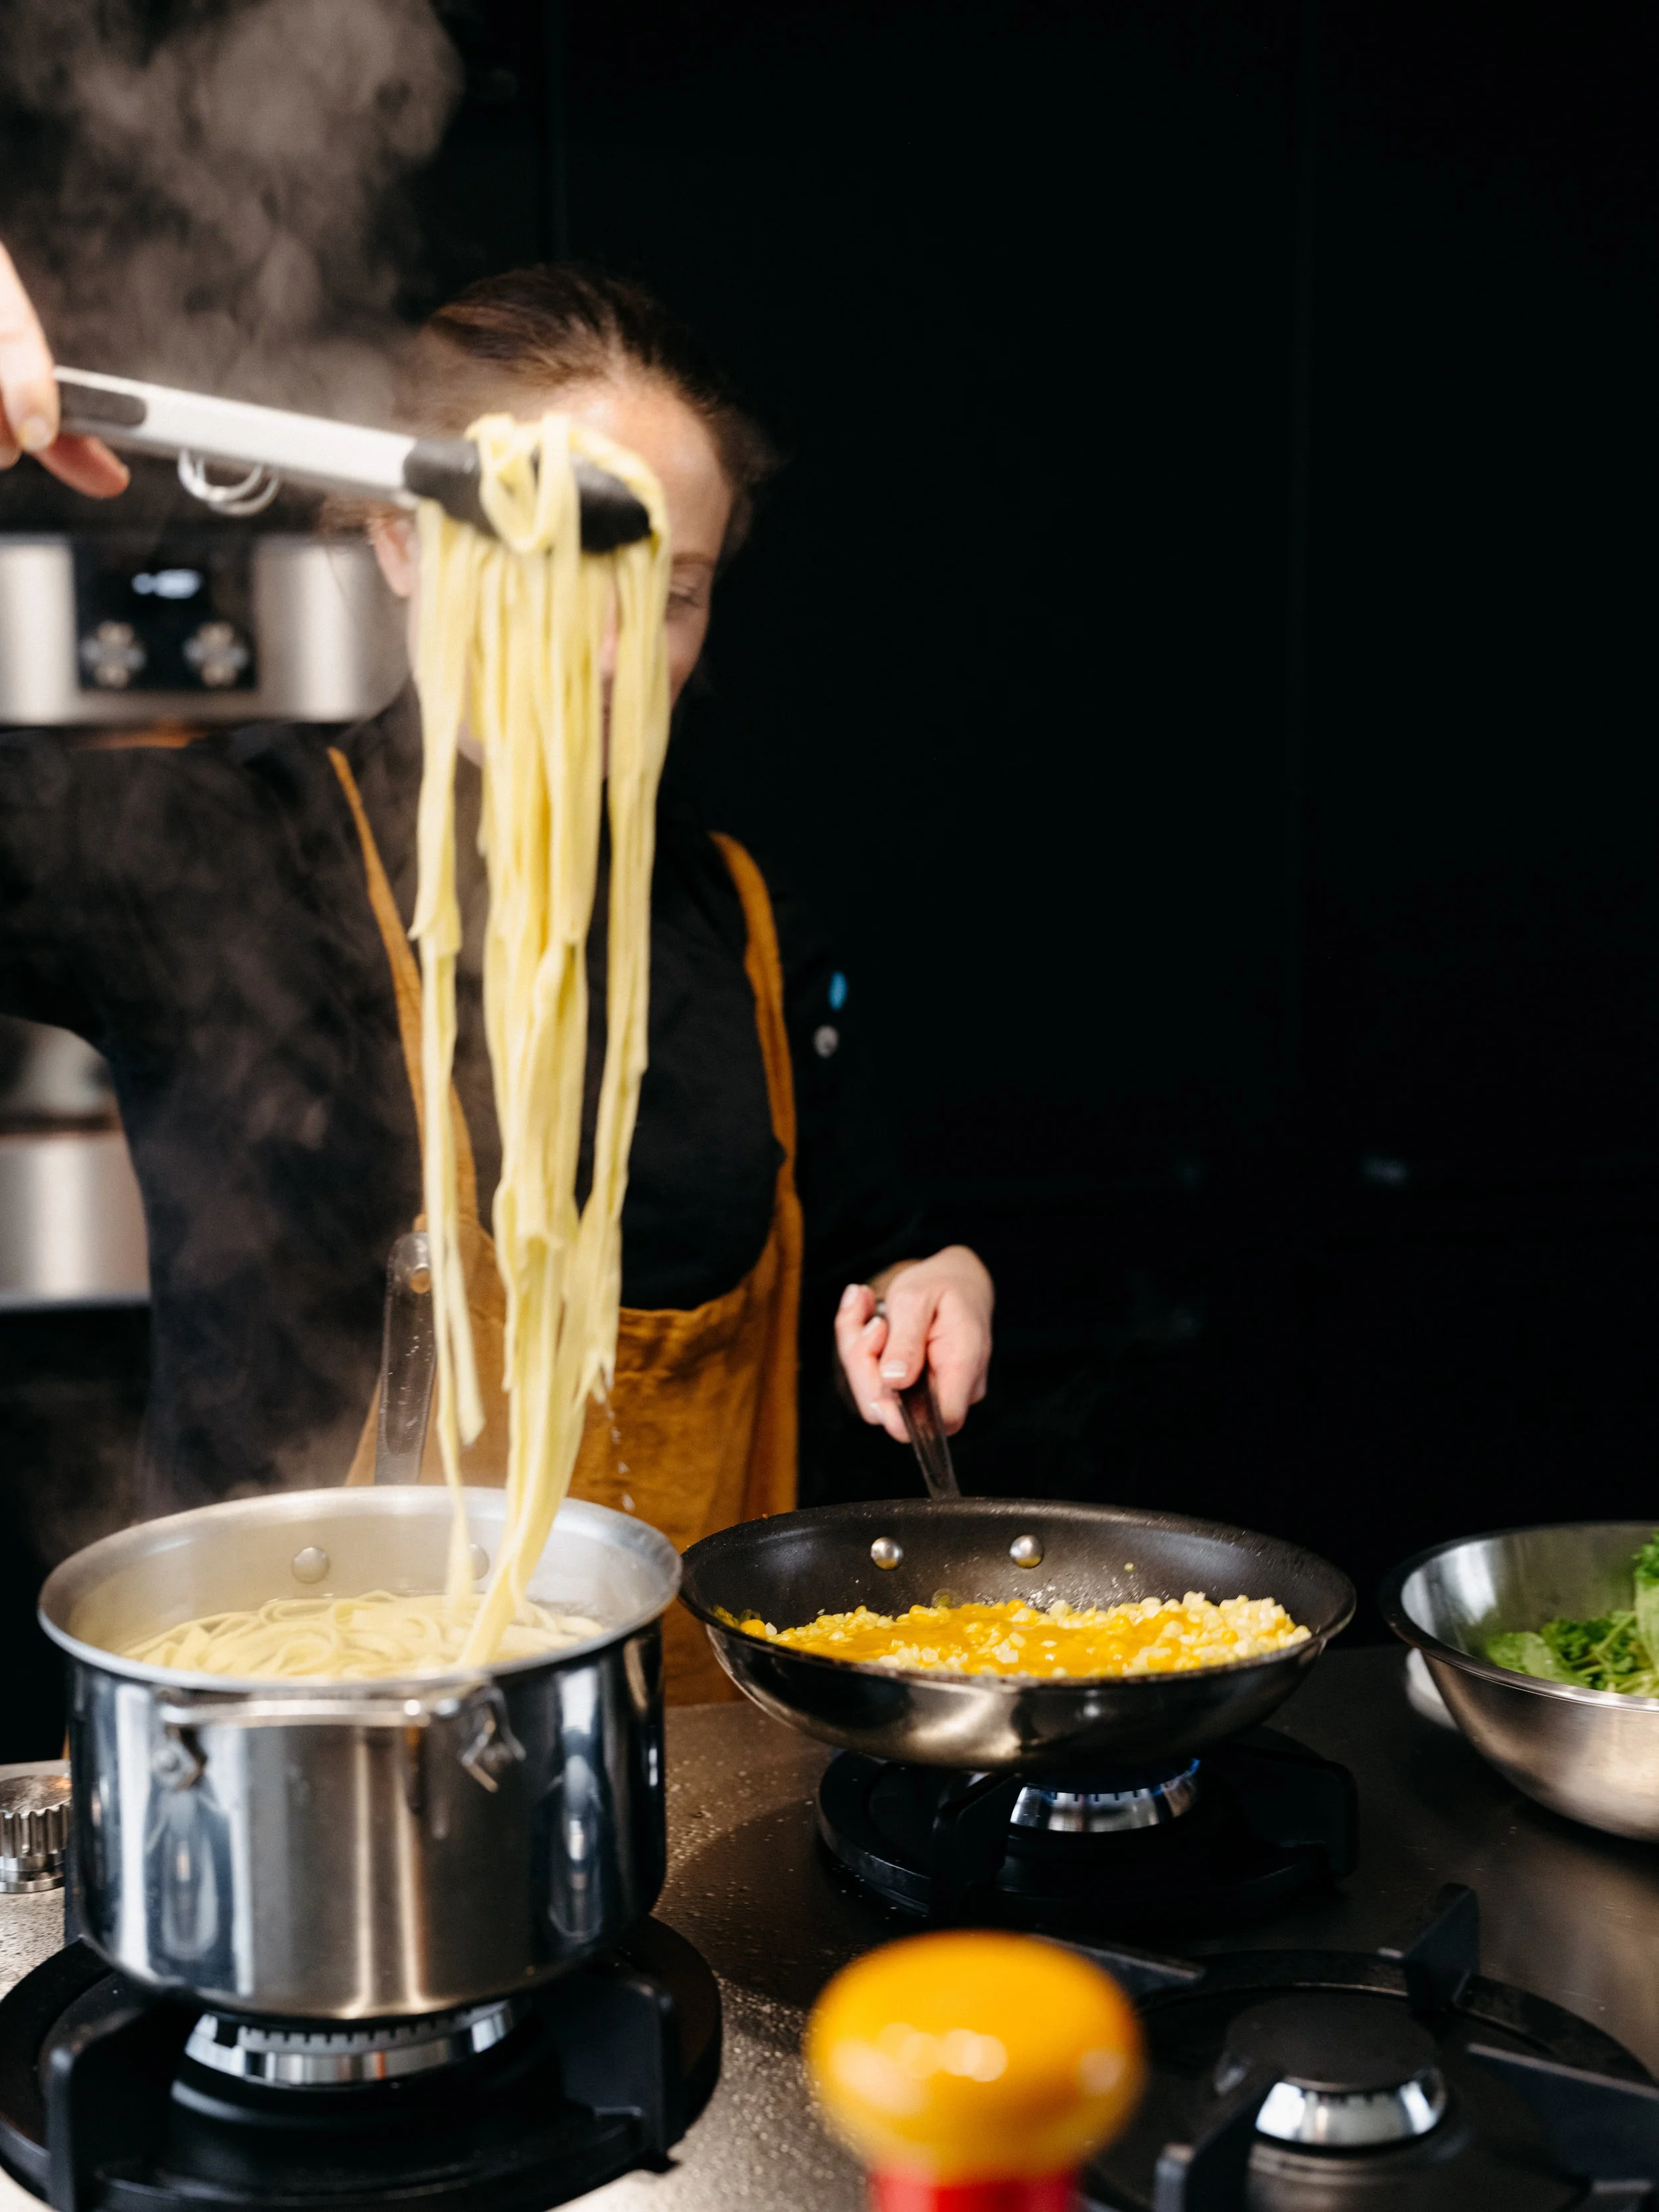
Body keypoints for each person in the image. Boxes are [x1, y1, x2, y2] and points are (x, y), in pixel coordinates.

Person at [0, 244, 993, 1698]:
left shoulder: (741, 912)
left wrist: (931, 1278)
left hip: (694, 1785)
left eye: (674, 590)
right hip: (307, 1773)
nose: (607, 651)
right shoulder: (226, 853)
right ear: (402, 541)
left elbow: (877, 1238)